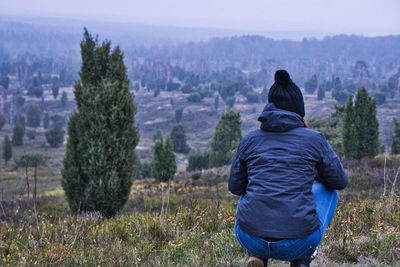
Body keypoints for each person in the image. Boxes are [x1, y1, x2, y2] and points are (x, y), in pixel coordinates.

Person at [228, 70, 348, 267]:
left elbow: (235, 187)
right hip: (297, 241)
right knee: (328, 191)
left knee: (249, 192)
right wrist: (310, 174)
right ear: (299, 111)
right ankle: (301, 260)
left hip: (250, 236)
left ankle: (257, 255)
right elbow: (339, 181)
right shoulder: (314, 139)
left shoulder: (249, 140)